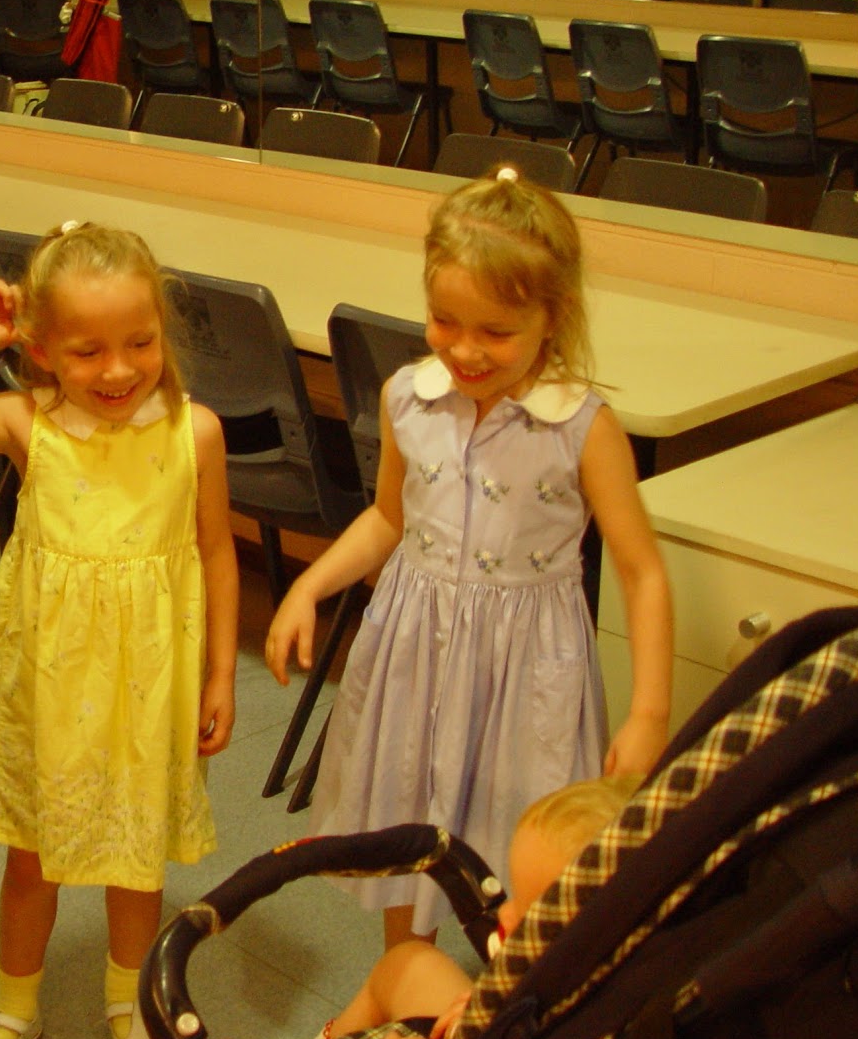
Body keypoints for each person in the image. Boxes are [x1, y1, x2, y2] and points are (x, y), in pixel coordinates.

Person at [0, 220, 239, 1039]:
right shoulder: (23, 423)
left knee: (133, 858)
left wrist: (223, 672)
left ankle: (129, 1009)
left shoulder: (195, 435)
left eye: (140, 343)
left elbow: (218, 553)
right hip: (46, 687)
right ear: (41, 350)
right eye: (87, 351)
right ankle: (14, 1007)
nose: (118, 370)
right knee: (31, 857)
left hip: (147, 690)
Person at [266, 167, 674, 952]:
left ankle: (511, 1012)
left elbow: (641, 569)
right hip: (416, 650)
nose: (464, 349)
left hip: (527, 670)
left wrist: (650, 709)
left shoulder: (581, 428)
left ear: (551, 318)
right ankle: (405, 985)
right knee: (409, 825)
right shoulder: (407, 400)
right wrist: (310, 587)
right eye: (445, 321)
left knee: (528, 848)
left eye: (494, 332)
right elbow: (389, 518)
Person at [134, 774, 641, 1039]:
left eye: (529, 915)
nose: (504, 915)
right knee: (411, 963)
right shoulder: (609, 991)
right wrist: (489, 1011)